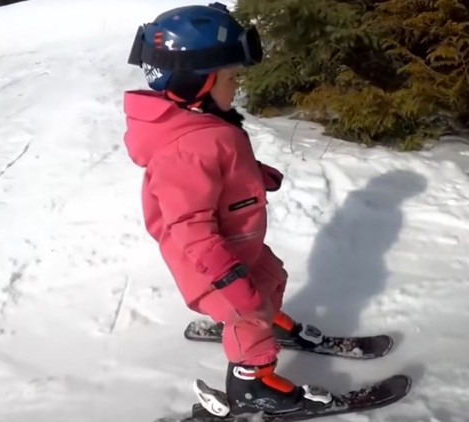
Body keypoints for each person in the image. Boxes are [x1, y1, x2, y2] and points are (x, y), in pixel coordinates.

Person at [122, 2, 332, 416]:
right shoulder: (185, 147)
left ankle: (260, 320)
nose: (236, 85)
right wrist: (226, 277)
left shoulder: (198, 126)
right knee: (248, 312)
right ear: (194, 82)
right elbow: (190, 228)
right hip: (211, 262)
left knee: (272, 277)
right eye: (231, 76)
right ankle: (252, 382)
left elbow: (220, 169)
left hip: (237, 248)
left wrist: (251, 175)